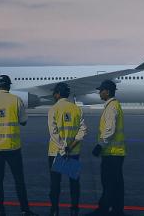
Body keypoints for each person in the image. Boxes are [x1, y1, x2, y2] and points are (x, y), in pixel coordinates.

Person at [0, 74, 36, 216]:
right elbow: (24, 121)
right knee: (19, 180)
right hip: (13, 147)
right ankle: (25, 210)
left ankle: (0, 209)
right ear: (9, 86)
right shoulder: (16, 100)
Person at [87, 80, 126, 216]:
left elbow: (110, 129)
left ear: (107, 92)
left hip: (111, 153)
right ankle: (117, 210)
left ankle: (103, 210)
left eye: (101, 90)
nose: (99, 93)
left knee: (108, 183)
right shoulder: (114, 105)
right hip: (116, 153)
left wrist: (100, 145)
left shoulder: (111, 107)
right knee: (116, 184)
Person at [47, 82, 86, 216]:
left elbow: (54, 133)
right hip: (73, 152)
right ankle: (74, 209)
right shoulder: (76, 109)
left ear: (58, 94)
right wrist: (71, 146)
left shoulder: (53, 109)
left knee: (55, 184)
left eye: (54, 93)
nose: (53, 95)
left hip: (56, 153)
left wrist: (62, 149)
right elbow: (83, 131)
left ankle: (54, 210)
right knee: (74, 183)